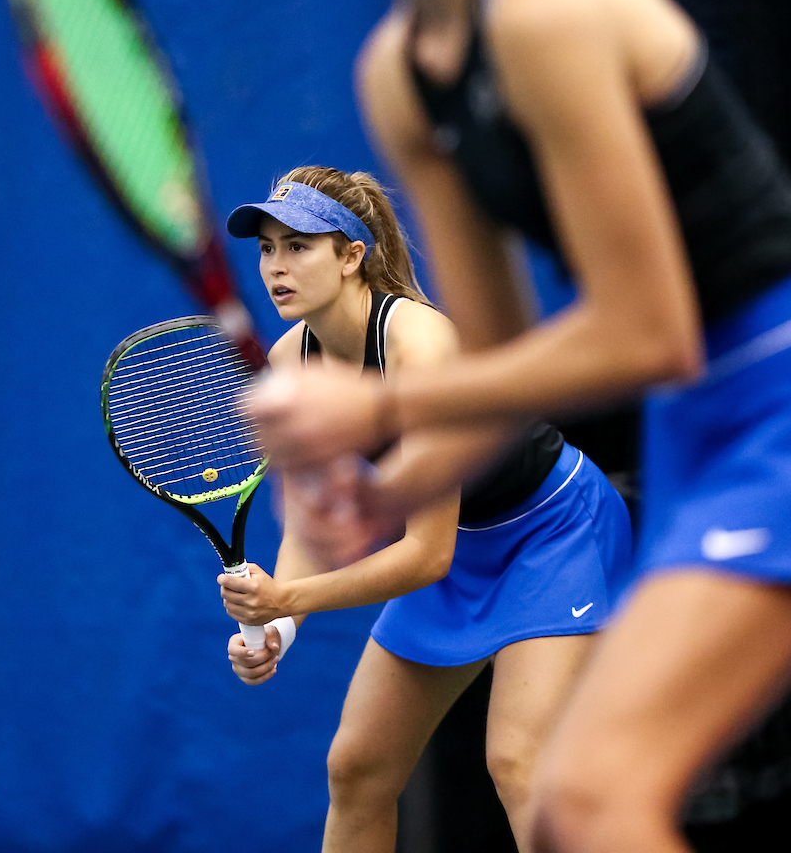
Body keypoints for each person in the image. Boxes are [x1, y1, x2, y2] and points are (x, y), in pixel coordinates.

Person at [245, 0, 791, 853]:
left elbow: (646, 332)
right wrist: (384, 483)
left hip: (771, 393)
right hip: (702, 429)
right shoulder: (398, 71)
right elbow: (502, 362)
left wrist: (379, 404)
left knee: (574, 798)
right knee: (561, 809)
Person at [218, 164, 630, 853]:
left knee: (520, 765)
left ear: (352, 257)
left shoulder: (420, 343)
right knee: (356, 768)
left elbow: (425, 554)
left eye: (298, 246)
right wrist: (282, 625)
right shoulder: (293, 359)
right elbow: (315, 525)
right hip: (463, 546)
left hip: (552, 533)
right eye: (266, 248)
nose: (276, 267)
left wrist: (288, 594)